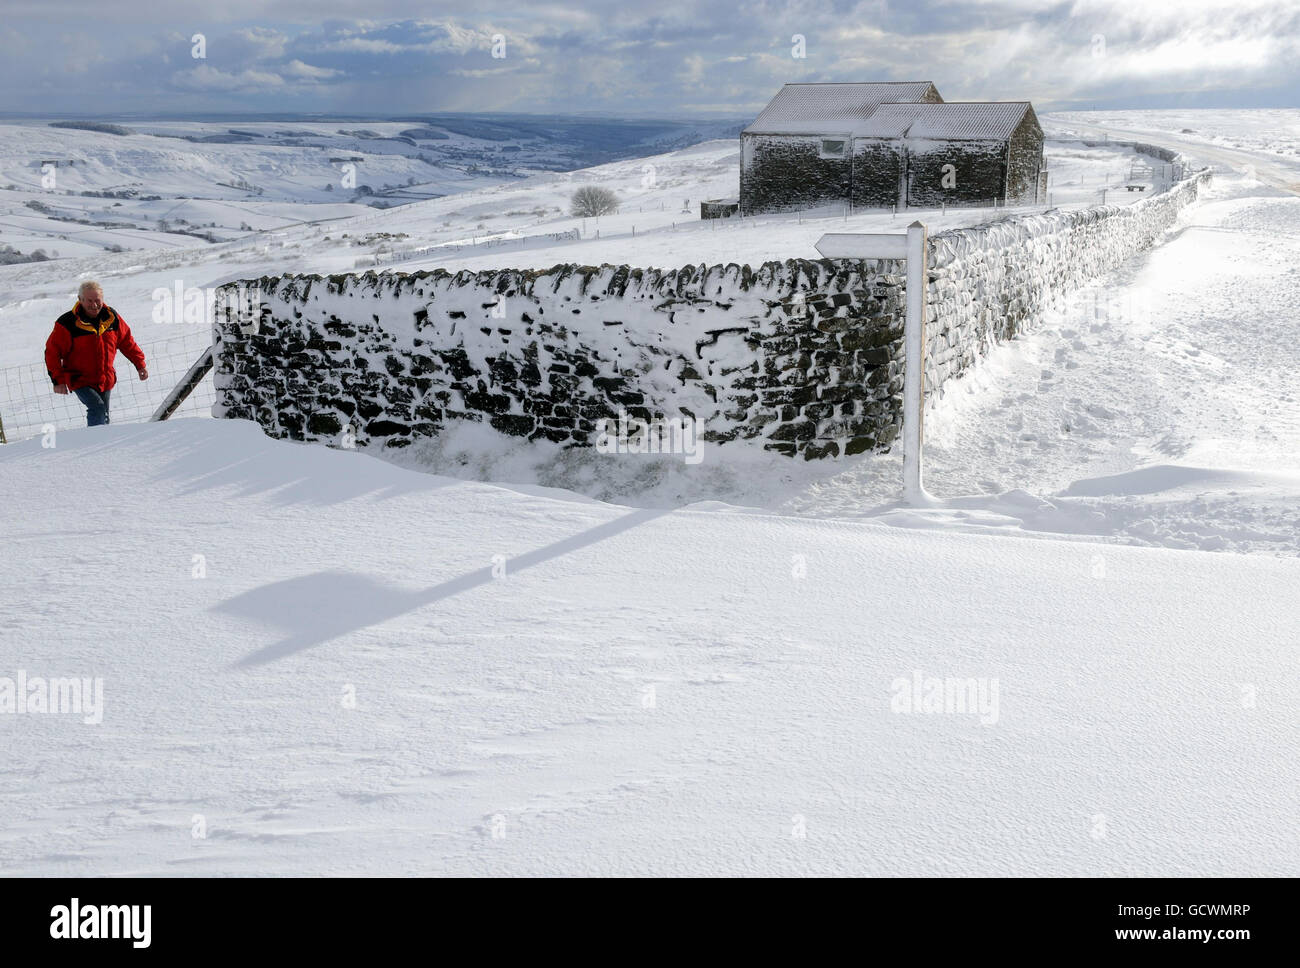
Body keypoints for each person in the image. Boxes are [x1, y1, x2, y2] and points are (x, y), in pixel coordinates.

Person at [44, 281, 148, 427]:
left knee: (104, 414)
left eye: (97, 300)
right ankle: (93, 444)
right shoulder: (67, 323)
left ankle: (102, 445)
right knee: (98, 409)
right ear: (80, 300)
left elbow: (127, 342)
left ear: (102, 299)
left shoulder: (112, 318)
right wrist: (58, 380)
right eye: (89, 301)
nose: (94, 305)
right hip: (79, 379)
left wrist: (140, 365)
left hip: (105, 378)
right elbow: (52, 352)